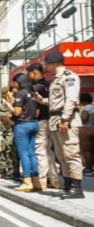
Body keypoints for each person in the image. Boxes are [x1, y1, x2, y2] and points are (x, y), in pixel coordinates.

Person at [36, 51, 85, 199]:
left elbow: (71, 99)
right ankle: (68, 184)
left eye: (47, 64)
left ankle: (77, 187)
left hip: (66, 120)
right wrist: (43, 101)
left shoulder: (69, 77)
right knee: (61, 155)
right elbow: (57, 101)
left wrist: (64, 119)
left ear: (55, 63)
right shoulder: (55, 79)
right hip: (55, 119)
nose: (46, 66)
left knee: (71, 153)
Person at [26, 63, 60, 189]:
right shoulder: (50, 85)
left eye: (29, 74)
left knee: (39, 150)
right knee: (49, 150)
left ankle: (41, 181)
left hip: (41, 121)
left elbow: (35, 108)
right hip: (52, 119)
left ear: (34, 73)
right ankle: (54, 180)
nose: (28, 77)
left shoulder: (35, 88)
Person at [11, 73, 42, 192]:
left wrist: (10, 107)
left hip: (23, 125)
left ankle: (27, 181)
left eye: (15, 82)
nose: (14, 85)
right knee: (31, 153)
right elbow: (37, 112)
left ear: (19, 82)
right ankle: (36, 181)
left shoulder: (20, 93)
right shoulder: (34, 93)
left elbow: (17, 113)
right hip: (34, 123)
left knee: (23, 154)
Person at [79, 93, 94, 174]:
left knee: (87, 150)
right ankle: (91, 168)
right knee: (92, 150)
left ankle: (88, 168)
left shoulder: (87, 107)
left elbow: (84, 118)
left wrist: (78, 119)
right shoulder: (93, 107)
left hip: (86, 129)